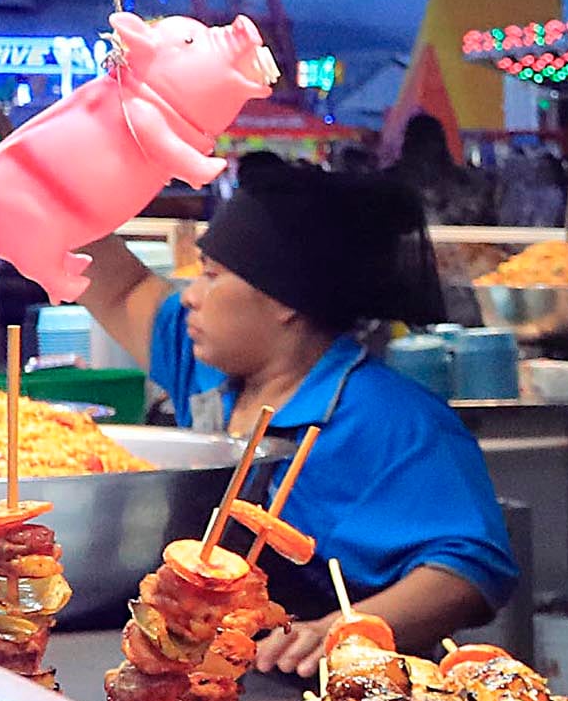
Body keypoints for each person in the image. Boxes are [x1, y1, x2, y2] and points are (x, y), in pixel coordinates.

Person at [75, 154, 517, 674]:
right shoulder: (208, 370)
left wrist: (342, 631)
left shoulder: (392, 420)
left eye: (212, 277)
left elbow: (469, 571)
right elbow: (115, 280)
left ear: (285, 302)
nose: (190, 296)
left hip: (329, 692)